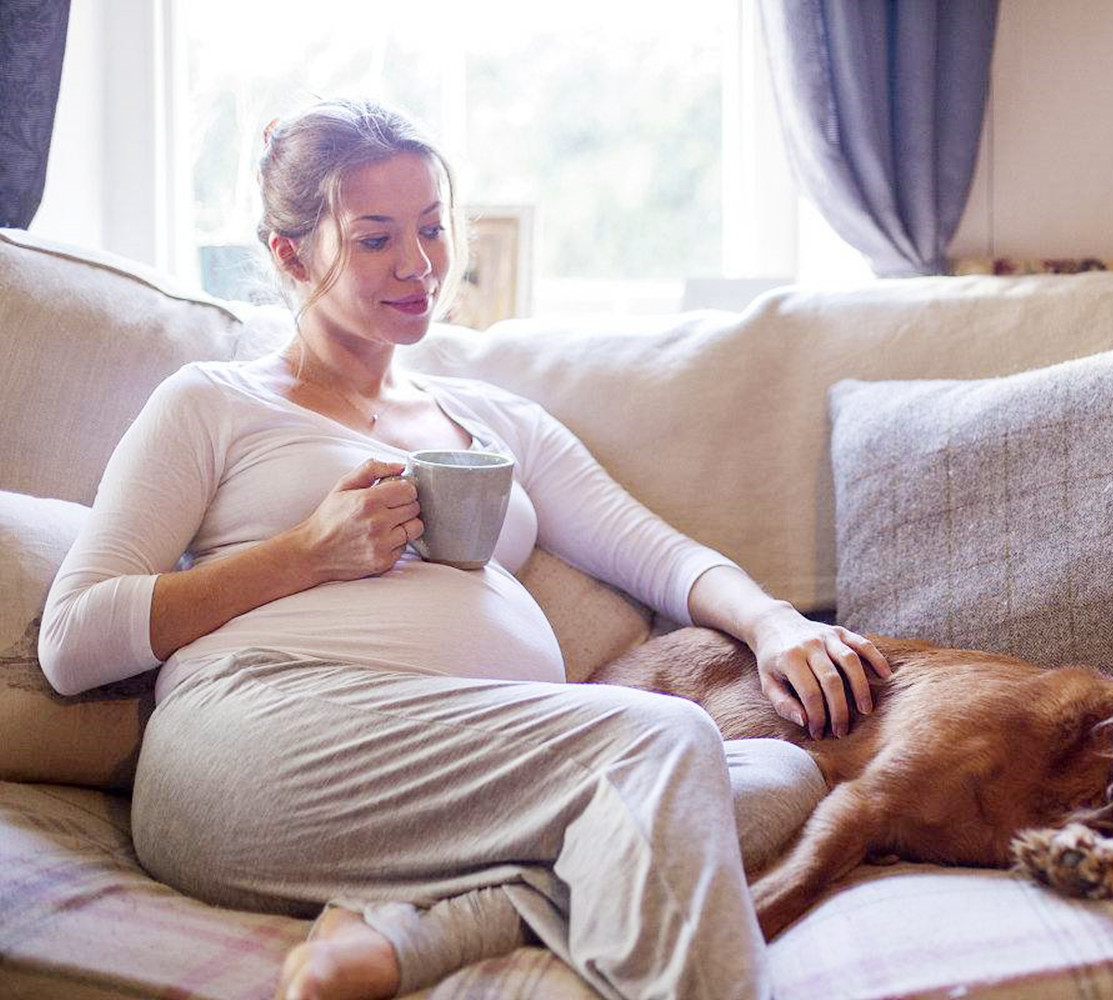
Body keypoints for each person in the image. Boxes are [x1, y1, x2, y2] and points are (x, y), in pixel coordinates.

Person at [38, 97, 888, 1000]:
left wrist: (774, 624)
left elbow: (656, 553)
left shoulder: (494, 421)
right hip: (258, 740)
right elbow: (73, 639)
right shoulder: (213, 402)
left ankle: (412, 938)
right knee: (667, 746)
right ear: (292, 256)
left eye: (433, 228)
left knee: (780, 773)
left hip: (468, 774)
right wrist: (306, 553)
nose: (419, 266)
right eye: (374, 239)